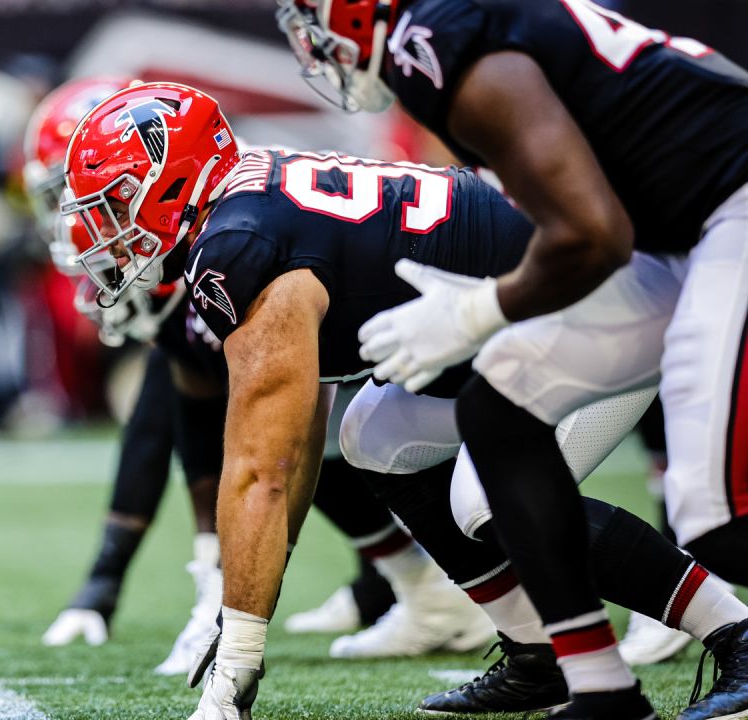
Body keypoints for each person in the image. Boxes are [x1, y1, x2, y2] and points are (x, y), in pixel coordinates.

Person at [61, 81, 748, 720]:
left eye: (115, 202)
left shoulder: (239, 248)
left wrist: (238, 649)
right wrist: (242, 609)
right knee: (375, 438)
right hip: (519, 321)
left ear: (171, 179)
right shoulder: (246, 202)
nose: (103, 231)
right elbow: (292, 447)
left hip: (594, 303)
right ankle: (539, 652)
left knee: (485, 497)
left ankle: (735, 633)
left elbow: (260, 470)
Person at [279, 1, 748, 716]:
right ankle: (599, 688)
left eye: (314, 17)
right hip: (670, 233)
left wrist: (478, 310)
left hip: (728, 205)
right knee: (498, 417)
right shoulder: (446, 31)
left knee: (714, 513)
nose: (314, 43)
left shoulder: (434, 40)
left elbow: (591, 233)